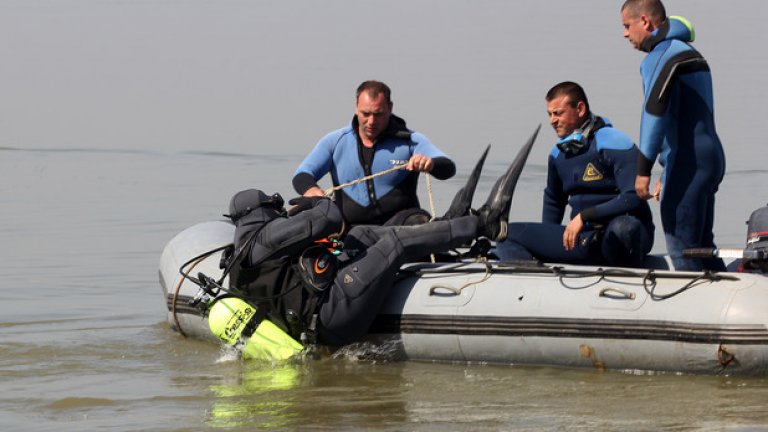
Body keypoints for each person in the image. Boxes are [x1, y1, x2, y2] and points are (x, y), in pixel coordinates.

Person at [225, 130, 537, 348]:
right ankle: (484, 224)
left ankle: (448, 228)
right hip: (332, 316)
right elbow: (330, 217)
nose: (279, 210)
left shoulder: (241, 258)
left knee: (360, 234)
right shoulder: (266, 238)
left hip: (315, 319)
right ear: (260, 211)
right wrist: (314, 202)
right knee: (394, 245)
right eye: (274, 205)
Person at [496, 82, 654, 267]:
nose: (552, 121)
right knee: (505, 234)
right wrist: (548, 244)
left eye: (558, 113)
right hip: (585, 239)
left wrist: (584, 216)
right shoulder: (557, 154)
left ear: (580, 109)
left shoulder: (615, 142)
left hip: (623, 234)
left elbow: (633, 197)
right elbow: (554, 200)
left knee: (624, 228)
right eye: (549, 114)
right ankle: (535, 279)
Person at [620, 0, 726, 271]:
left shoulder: (660, 56)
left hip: (689, 163)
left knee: (682, 249)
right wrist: (669, 169)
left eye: (627, 25)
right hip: (708, 158)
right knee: (702, 246)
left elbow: (654, 112)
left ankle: (695, 299)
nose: (625, 34)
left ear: (645, 21)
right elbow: (687, 118)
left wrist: (643, 170)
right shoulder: (688, 51)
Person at [292, 80, 456, 227]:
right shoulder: (335, 141)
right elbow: (302, 174)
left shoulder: (410, 141)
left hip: (400, 230)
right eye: (365, 114)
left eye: (378, 114)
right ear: (356, 107)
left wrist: (430, 164)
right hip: (350, 232)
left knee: (419, 221)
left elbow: (448, 168)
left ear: (390, 108)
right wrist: (311, 189)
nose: (371, 121)